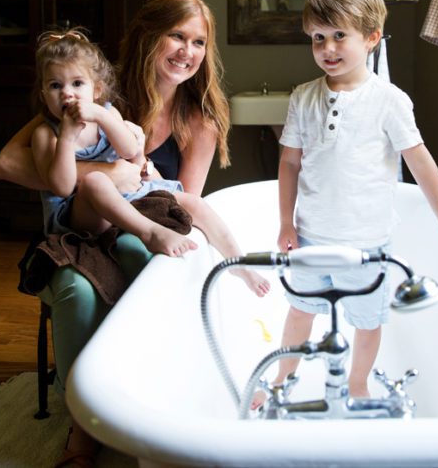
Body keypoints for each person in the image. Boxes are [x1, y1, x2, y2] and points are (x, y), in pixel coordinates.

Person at [0, 0, 263, 467]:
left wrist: (129, 182)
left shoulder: (196, 121)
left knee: (154, 258)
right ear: (148, 37)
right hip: (80, 227)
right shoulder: (94, 91)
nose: (187, 51)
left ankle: (190, 383)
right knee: (81, 286)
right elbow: (7, 164)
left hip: (145, 225)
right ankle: (85, 424)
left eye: (198, 42)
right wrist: (109, 177)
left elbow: (183, 201)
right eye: (175, 36)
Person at [254, 0, 438, 409]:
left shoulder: (389, 100)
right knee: (300, 310)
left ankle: (357, 386)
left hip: (367, 239)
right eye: (318, 38)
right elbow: (289, 163)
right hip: (311, 234)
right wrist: (286, 222)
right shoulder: (304, 97)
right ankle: (282, 379)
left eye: (339, 35)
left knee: (366, 320)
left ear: (372, 37)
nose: (327, 48)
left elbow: (420, 162)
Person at [30, 27, 269, 295]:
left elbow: (131, 150)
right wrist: (66, 138)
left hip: (125, 199)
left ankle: (238, 262)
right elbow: (62, 187)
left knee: (194, 202)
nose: (67, 93)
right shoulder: (45, 134)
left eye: (77, 83)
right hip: (78, 215)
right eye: (55, 85)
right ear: (43, 95)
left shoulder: (107, 114)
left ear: (96, 90)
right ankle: (150, 233)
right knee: (94, 181)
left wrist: (103, 117)